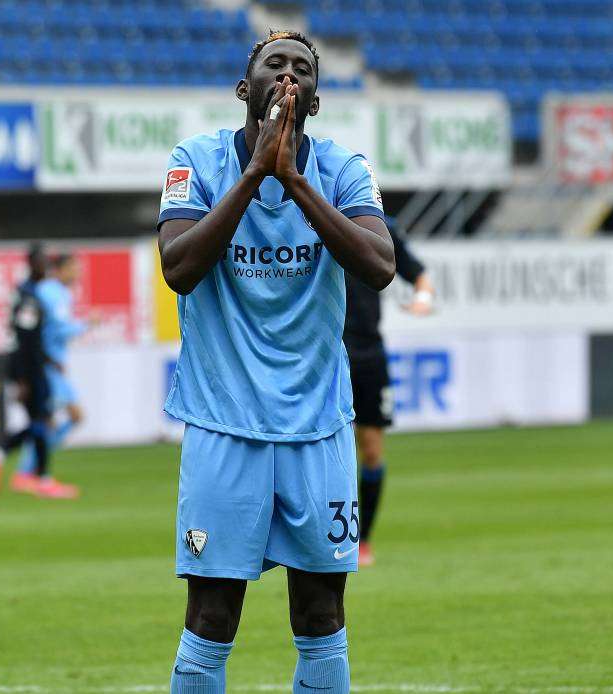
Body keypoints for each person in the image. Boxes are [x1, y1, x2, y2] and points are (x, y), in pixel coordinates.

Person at [156, 30, 394, 694]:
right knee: (211, 616)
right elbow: (178, 268)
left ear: (315, 99)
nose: (289, 77)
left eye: (303, 70)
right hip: (223, 425)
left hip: (317, 426)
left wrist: (292, 178)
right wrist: (257, 173)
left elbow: (379, 266)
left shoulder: (345, 169)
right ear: (246, 88)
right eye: (275, 65)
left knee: (322, 616)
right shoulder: (195, 161)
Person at [343, 218, 434, 567]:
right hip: (324, 351)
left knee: (371, 449)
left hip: (368, 353)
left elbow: (417, 273)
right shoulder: (309, 212)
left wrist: (423, 298)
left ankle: (362, 539)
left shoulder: (379, 224)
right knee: (324, 450)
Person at [9, 252, 87, 499]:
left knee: (52, 421)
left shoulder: (51, 292)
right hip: (48, 367)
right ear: (61, 269)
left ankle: (28, 472)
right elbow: (57, 330)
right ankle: (27, 473)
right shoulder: (55, 294)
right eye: (74, 268)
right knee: (63, 418)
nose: (78, 273)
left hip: (51, 366)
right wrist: (87, 324)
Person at [0, 243, 52, 495]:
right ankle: (37, 477)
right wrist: (22, 378)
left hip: (30, 367)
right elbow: (24, 340)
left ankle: (0, 459)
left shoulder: (25, 294)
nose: (47, 266)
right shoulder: (29, 297)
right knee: (40, 421)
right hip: (28, 371)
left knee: (39, 422)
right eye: (43, 261)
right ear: (32, 264)